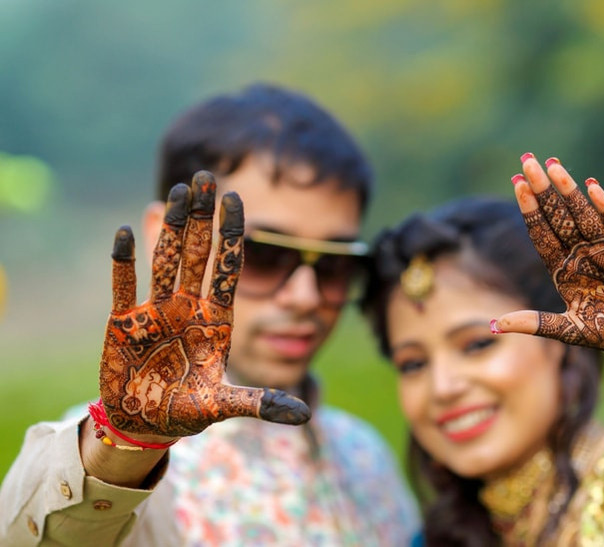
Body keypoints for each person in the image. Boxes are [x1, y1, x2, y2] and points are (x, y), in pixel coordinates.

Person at [0, 83, 418, 546]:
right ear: (171, 239)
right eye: (263, 255)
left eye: (336, 265)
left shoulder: (365, 456)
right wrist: (130, 446)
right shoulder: (93, 452)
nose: (305, 296)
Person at [361, 154, 604, 545]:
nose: (443, 387)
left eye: (478, 344)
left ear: (562, 344)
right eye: (412, 364)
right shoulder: (429, 536)